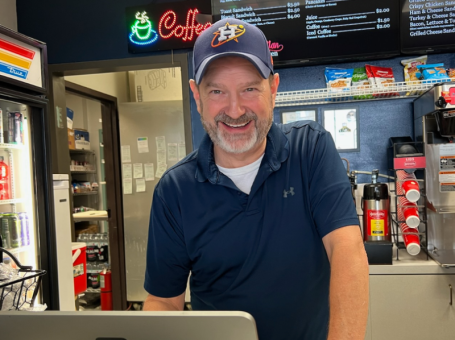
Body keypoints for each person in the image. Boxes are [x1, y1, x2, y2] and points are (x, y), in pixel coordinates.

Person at [143, 18, 369, 340]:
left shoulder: (311, 150)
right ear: (197, 96)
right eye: (217, 91)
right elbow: (164, 301)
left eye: (249, 88)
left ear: (273, 89)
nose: (235, 111)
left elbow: (347, 251)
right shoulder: (175, 190)